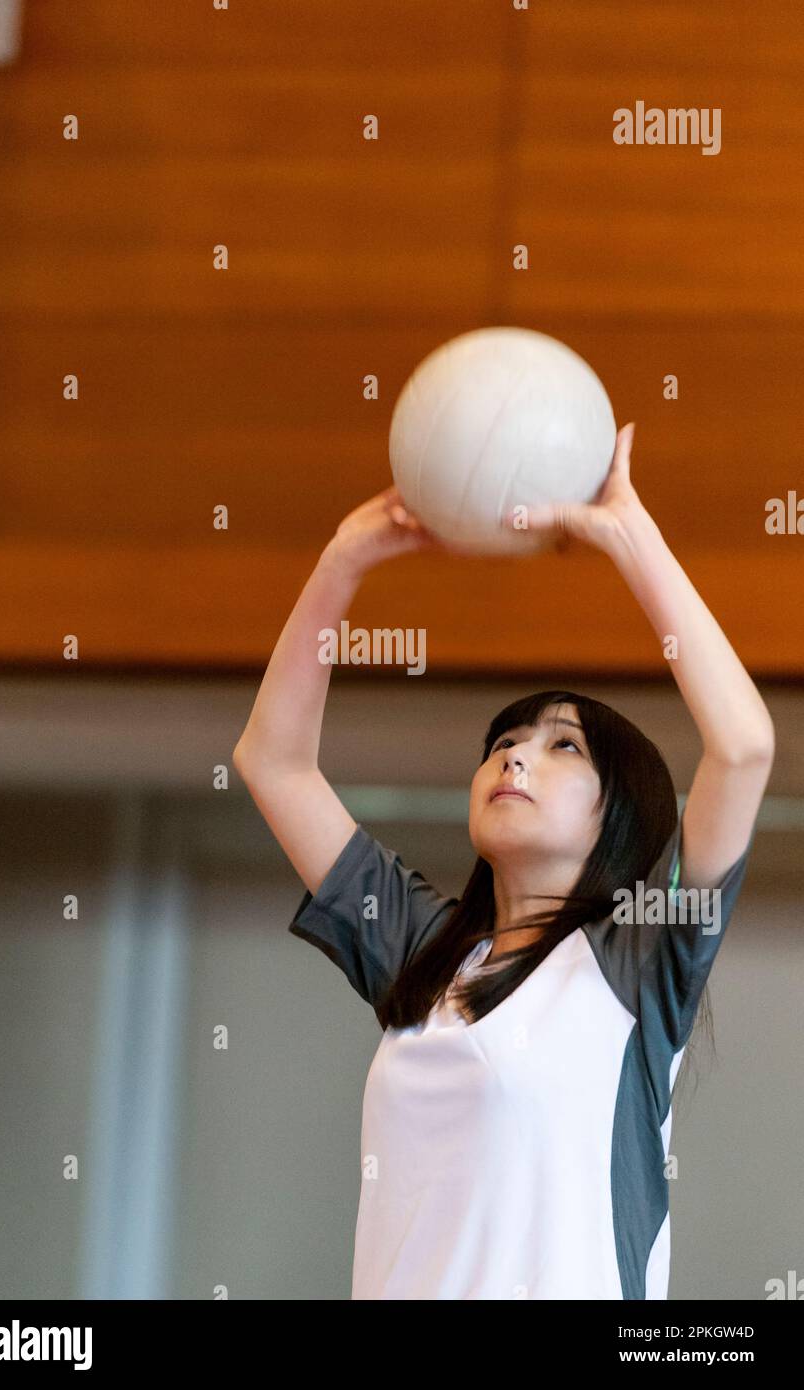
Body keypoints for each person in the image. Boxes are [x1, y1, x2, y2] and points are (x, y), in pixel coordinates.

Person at [232, 422, 775, 1299]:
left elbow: (744, 746)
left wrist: (632, 541)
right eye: (505, 742)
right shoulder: (421, 948)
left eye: (563, 748)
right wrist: (343, 563)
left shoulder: (637, 954)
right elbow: (274, 761)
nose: (515, 758)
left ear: (621, 815)